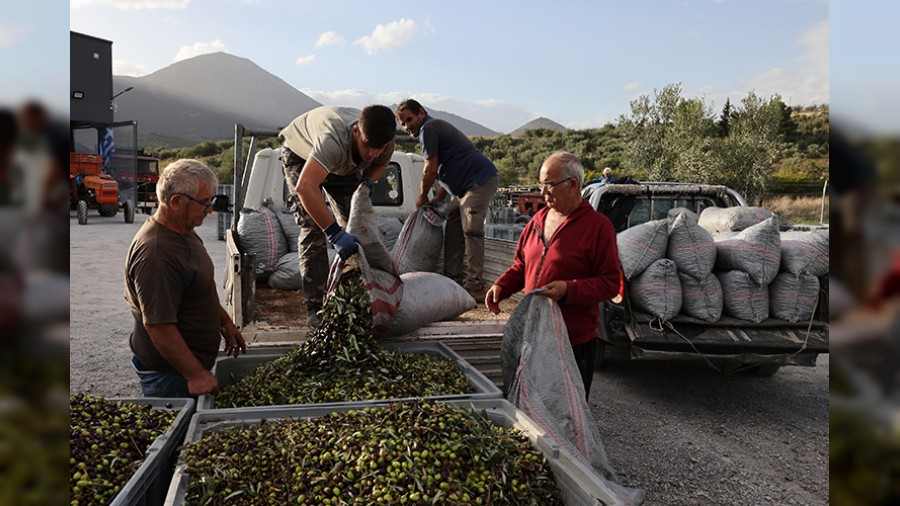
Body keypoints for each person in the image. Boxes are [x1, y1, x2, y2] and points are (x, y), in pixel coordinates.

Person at [485, 151, 620, 398]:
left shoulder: (598, 227)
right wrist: (501, 286)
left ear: (573, 185)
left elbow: (610, 284)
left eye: (550, 185)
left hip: (572, 343)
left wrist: (569, 290)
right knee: (530, 407)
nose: (543, 192)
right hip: (533, 335)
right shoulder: (536, 220)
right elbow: (521, 266)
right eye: (541, 184)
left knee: (567, 416)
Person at [125, 159, 246, 397]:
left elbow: (198, 288)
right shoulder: (156, 254)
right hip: (170, 377)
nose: (210, 209)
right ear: (177, 202)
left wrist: (224, 322)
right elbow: (159, 325)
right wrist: (195, 375)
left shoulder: (184, 231)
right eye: (204, 202)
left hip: (182, 371)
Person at [279, 105, 397, 327]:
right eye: (368, 146)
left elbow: (380, 164)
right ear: (355, 132)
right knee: (313, 226)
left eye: (378, 148)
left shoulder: (385, 142)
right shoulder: (333, 140)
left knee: (355, 223)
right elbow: (306, 187)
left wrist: (368, 181)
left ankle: (356, 297)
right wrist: (333, 232)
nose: (372, 153)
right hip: (301, 153)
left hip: (341, 166)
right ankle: (317, 307)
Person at [395, 99, 499, 300]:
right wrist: (438, 197)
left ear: (421, 113)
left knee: (471, 227)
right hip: (462, 189)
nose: (408, 126)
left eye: (409, 119)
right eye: (404, 124)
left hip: (479, 180)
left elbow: (431, 169)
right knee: (452, 222)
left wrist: (423, 197)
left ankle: (475, 285)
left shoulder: (429, 129)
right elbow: (444, 168)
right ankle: (453, 278)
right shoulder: (432, 129)